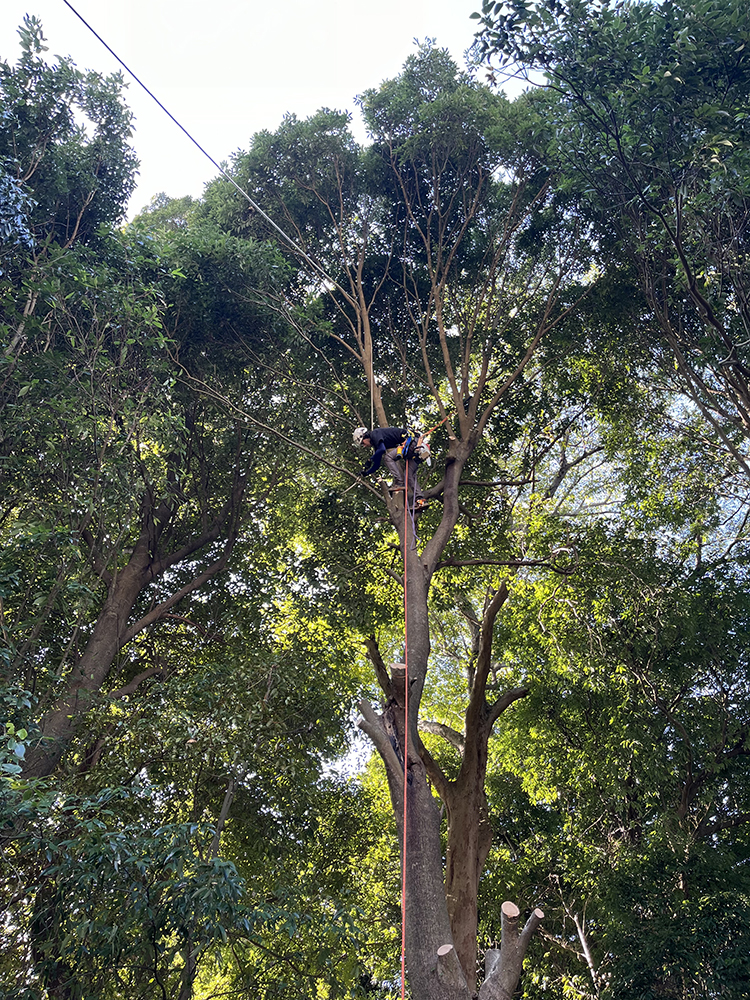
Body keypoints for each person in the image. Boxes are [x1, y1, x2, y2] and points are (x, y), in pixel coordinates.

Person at [353, 426, 426, 506]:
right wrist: (366, 473)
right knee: (408, 475)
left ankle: (399, 482)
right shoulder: (377, 444)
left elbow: (382, 450)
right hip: (415, 448)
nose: (364, 446)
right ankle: (420, 500)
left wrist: (370, 459)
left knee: (388, 458)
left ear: (364, 436)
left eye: (363, 443)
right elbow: (376, 465)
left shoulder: (374, 434)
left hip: (411, 443)